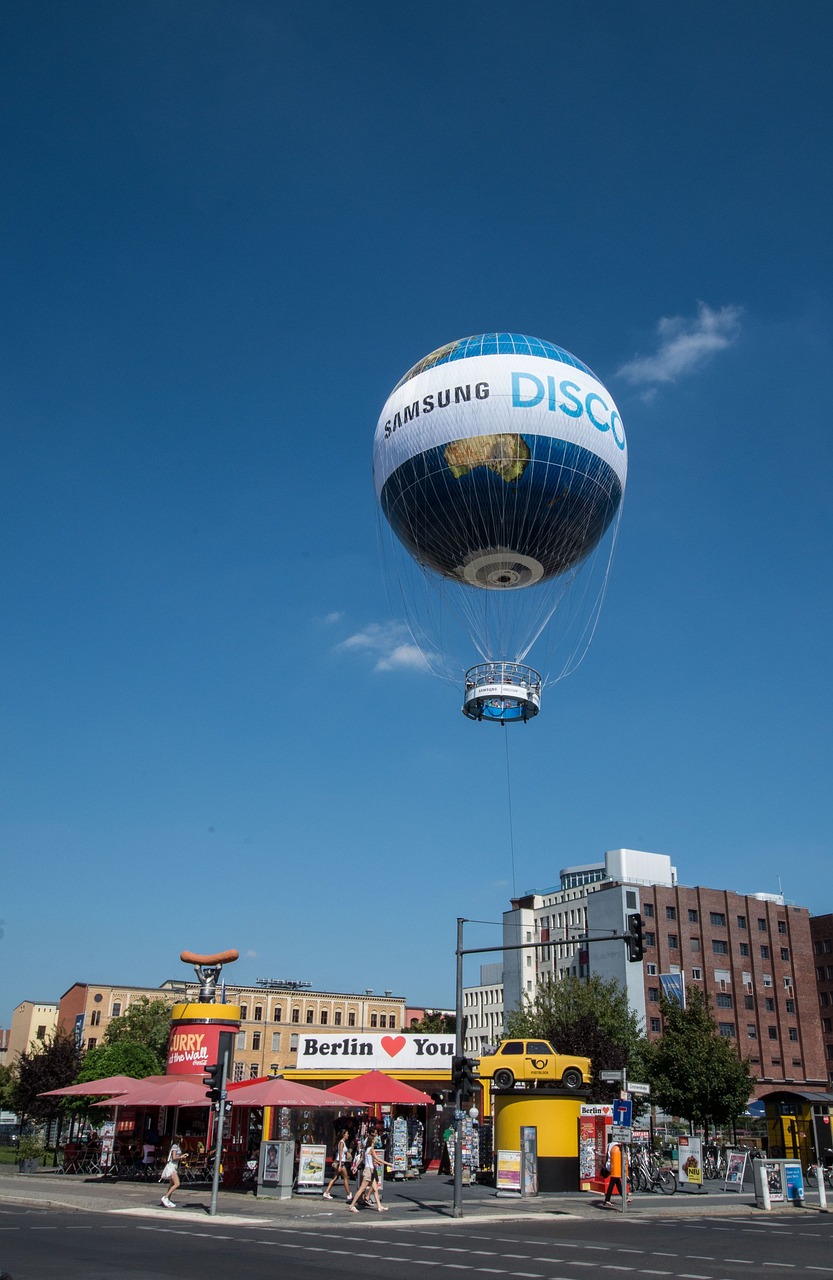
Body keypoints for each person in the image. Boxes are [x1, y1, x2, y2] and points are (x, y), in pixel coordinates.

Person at [349, 1127, 392, 1213]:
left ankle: (379, 1206)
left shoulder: (367, 1150)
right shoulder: (371, 1149)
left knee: (375, 1189)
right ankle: (352, 1205)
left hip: (370, 1170)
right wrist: (388, 1163)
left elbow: (369, 1159)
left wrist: (356, 1166)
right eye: (375, 1139)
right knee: (362, 1188)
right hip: (368, 1171)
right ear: (372, 1141)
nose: (376, 1140)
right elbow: (377, 1158)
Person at [323, 1129, 353, 1200]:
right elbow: (340, 1154)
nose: (348, 1135)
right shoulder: (342, 1142)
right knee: (345, 1178)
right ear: (344, 1135)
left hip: (341, 1162)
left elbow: (343, 1153)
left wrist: (347, 1154)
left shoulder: (343, 1143)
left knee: (335, 1177)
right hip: (341, 1162)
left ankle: (327, 1192)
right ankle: (349, 1194)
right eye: (347, 1134)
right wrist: (340, 1165)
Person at [602, 1140, 631, 1209]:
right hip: (615, 1165)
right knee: (612, 1183)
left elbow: (607, 1154)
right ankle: (607, 1200)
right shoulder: (617, 1146)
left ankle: (625, 1198)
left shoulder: (609, 1144)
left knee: (617, 1183)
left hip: (609, 1165)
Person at [159, 1136, 182, 1208]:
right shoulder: (175, 1146)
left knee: (171, 1184)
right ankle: (165, 1197)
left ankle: (168, 1199)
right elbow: (174, 1157)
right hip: (172, 1166)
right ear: (179, 1139)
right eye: (182, 1138)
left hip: (174, 1166)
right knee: (177, 1183)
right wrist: (182, 1157)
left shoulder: (176, 1146)